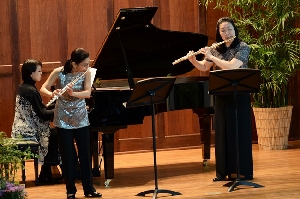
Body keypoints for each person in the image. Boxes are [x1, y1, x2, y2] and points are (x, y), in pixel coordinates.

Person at [187, 17, 253, 181]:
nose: (226, 33)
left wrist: (211, 56)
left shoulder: (243, 47)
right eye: (222, 30)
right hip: (222, 94)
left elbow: (231, 66)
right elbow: (204, 67)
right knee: (222, 133)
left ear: (234, 29)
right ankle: (223, 172)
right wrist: (194, 60)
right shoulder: (216, 49)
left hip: (239, 95)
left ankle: (242, 172)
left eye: (229, 29)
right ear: (219, 33)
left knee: (239, 133)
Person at [40, 48, 102, 199]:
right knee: (68, 157)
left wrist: (73, 93)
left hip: (81, 118)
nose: (87, 67)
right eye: (84, 64)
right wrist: (52, 93)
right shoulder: (58, 72)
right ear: (74, 63)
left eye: (88, 64)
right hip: (62, 119)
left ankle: (89, 189)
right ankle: (70, 190)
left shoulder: (86, 73)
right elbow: (43, 88)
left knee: (85, 154)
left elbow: (87, 93)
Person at [11, 59, 62, 183]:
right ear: (31, 74)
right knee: (55, 133)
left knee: (53, 133)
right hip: (27, 132)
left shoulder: (24, 87)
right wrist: (59, 109)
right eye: (39, 71)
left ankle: (48, 172)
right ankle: (49, 173)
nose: (41, 73)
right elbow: (43, 114)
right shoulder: (31, 90)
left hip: (20, 128)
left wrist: (53, 107)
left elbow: (39, 110)